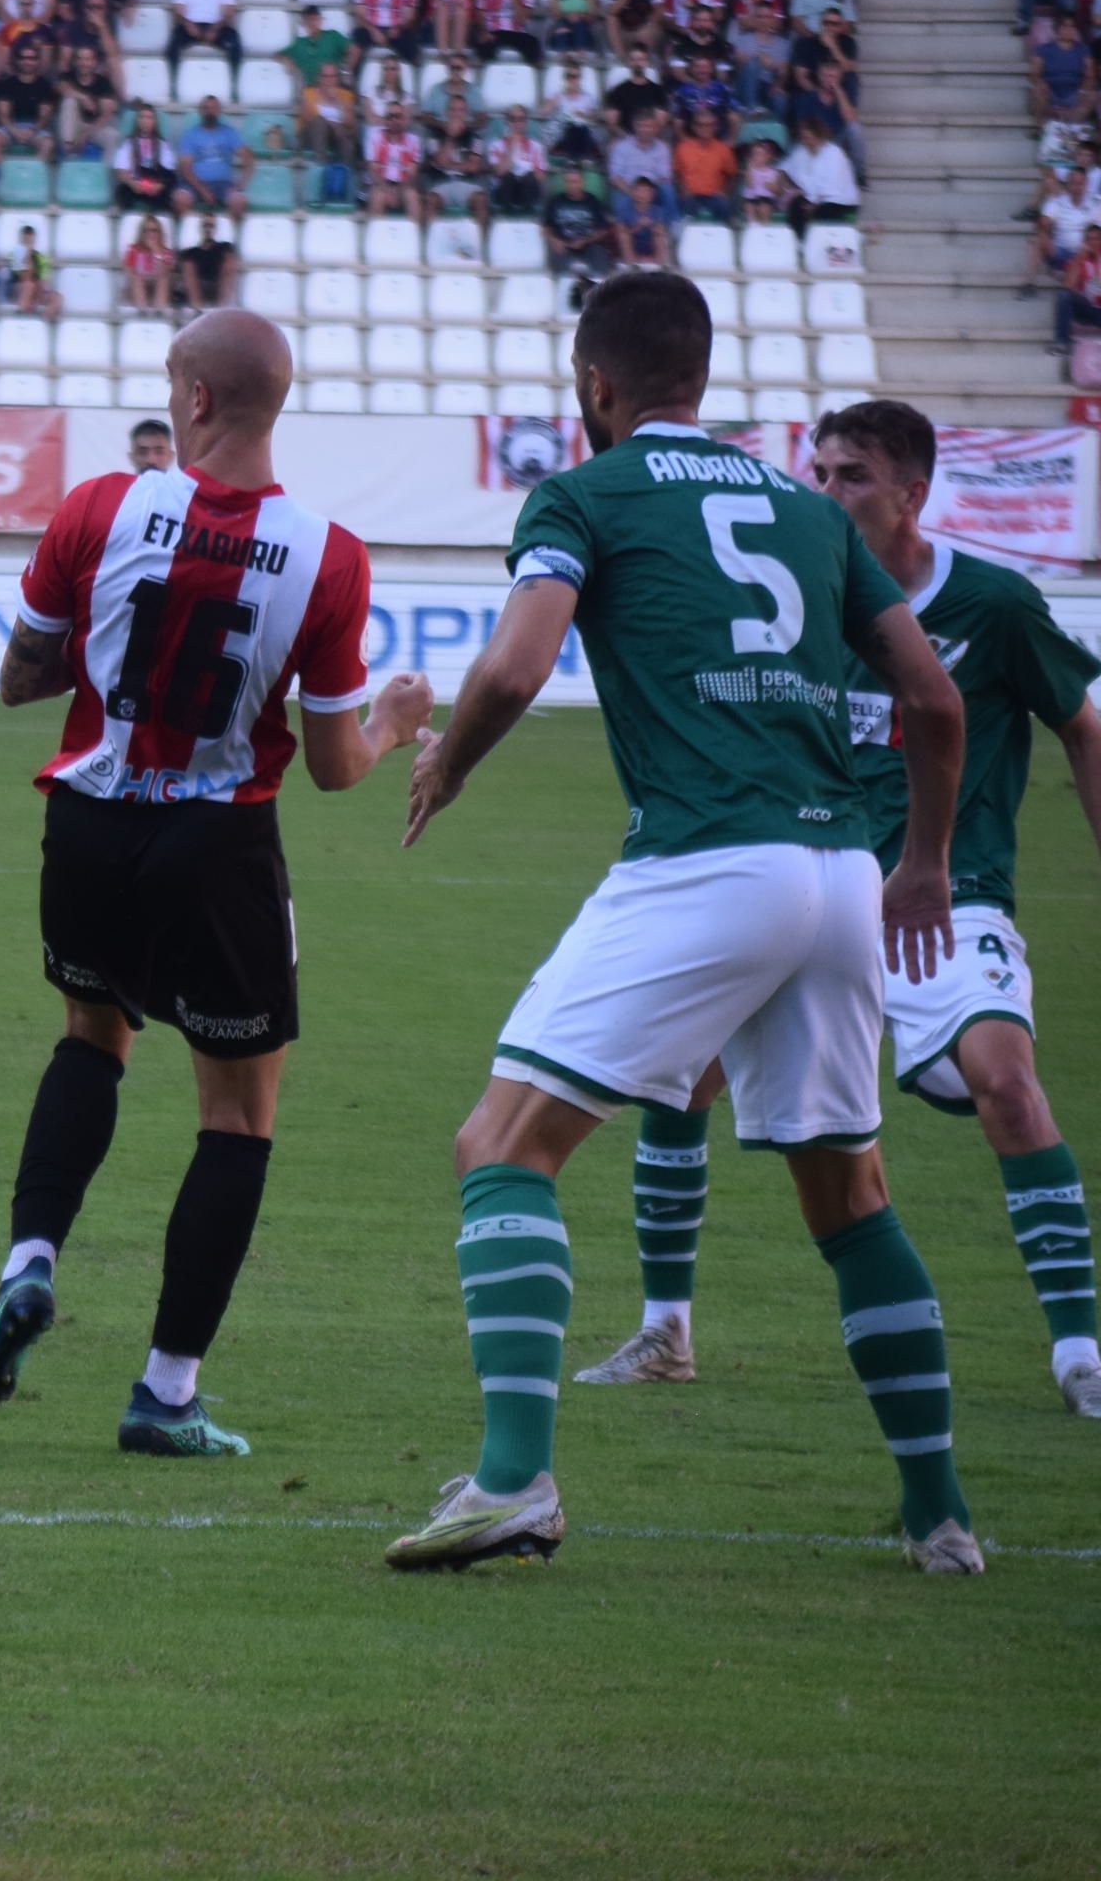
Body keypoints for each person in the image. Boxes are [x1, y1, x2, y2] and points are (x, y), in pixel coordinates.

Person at [387, 271, 983, 1576]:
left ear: (594, 385)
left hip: (709, 859)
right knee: (852, 1195)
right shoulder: (806, 511)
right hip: (840, 876)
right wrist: (925, 864)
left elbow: (517, 661)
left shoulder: (585, 496)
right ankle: (940, 1513)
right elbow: (936, 706)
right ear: (699, 382)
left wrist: (452, 763)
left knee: (500, 1145)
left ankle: (513, 1482)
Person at [571, 400, 1101, 1420]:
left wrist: (938, 858)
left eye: (851, 474)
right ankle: (665, 1328)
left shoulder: (990, 604)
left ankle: (1078, 1350)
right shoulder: (801, 599)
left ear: (912, 491)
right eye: (818, 470)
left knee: (1006, 1080)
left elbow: (1081, 723)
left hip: (946, 900)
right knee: (681, 1075)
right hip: (819, 885)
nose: (827, 490)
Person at [0, 309, 428, 1450]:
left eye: (173, 382)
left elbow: (18, 680)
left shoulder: (100, 508)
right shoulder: (330, 555)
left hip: (87, 821)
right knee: (238, 1115)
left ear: (198, 399)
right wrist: (394, 720)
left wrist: (115, 642)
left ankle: (29, 1262)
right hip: (217, 844)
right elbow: (329, 767)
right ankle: (166, 1390)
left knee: (90, 1035)